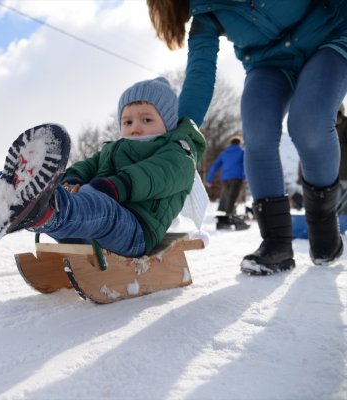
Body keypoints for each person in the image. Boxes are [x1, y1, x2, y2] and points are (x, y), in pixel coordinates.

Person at [0, 77, 206, 257]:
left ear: (167, 122)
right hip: (85, 220)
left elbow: (156, 177)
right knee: (18, 179)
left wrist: (113, 186)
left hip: (134, 230)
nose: (135, 128)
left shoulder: (178, 153)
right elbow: (85, 168)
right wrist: (68, 179)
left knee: (99, 205)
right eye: (127, 121)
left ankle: (41, 208)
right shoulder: (114, 149)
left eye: (146, 120)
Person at [146, 0, 347, 275]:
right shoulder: (205, 13)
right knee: (257, 131)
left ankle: (323, 223)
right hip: (268, 63)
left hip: (329, 38)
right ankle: (276, 244)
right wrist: (181, 138)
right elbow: (199, 77)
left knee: (308, 123)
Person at [205, 135, 249, 230]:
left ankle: (231, 216)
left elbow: (215, 166)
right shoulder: (241, 152)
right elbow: (246, 164)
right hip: (236, 178)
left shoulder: (224, 153)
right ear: (239, 143)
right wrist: (245, 176)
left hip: (225, 179)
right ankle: (228, 219)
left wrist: (209, 179)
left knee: (229, 197)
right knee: (232, 198)